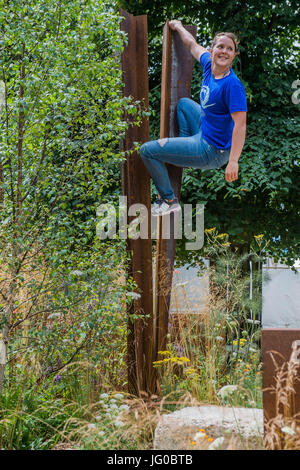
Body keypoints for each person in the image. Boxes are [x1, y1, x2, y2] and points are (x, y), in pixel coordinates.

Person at [140, 20, 247, 216]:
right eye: (220, 46)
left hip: (212, 151)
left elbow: (240, 125)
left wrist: (233, 161)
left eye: (230, 49)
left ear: (234, 55)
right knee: (183, 104)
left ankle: (168, 199)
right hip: (204, 129)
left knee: (147, 151)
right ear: (212, 49)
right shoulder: (208, 64)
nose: (224, 51)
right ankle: (186, 151)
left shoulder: (233, 86)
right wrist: (179, 27)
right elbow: (192, 45)